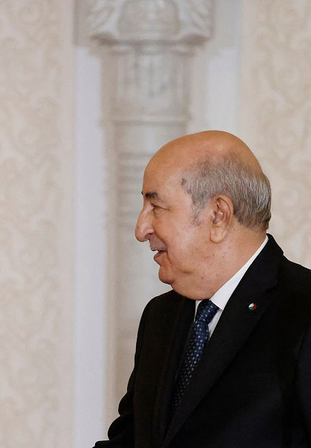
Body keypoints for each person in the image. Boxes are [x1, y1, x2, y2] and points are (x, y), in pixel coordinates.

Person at [95, 130, 311, 447]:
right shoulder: (161, 316)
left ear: (218, 215)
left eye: (156, 206)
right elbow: (130, 440)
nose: (141, 229)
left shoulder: (303, 313)